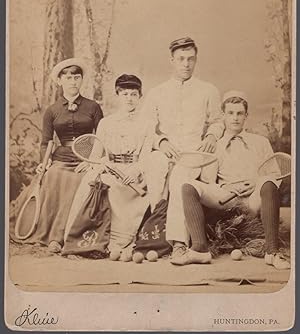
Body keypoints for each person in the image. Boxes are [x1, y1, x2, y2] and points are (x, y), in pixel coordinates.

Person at [172, 91, 290, 269]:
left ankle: (272, 252)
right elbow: (208, 181)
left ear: (246, 116)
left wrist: (255, 182)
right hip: (225, 197)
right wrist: (225, 187)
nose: (235, 118)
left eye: (239, 113)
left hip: (252, 199)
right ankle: (200, 249)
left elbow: (273, 175)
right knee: (188, 186)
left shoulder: (261, 142)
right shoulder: (215, 145)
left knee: (267, 181)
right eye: (230, 113)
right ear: (223, 116)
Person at [141, 37, 224, 260]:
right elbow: (147, 128)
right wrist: (161, 142)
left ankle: (178, 242)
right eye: (181, 59)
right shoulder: (157, 92)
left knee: (179, 178)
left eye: (190, 59)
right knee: (154, 168)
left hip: (193, 154)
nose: (186, 64)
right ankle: (150, 234)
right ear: (172, 60)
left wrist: (212, 136)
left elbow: (218, 121)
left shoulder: (208, 90)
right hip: (166, 150)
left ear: (196, 60)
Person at [10, 58, 103, 252]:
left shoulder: (93, 107)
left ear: (81, 80)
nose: (72, 82)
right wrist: (45, 160)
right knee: (53, 176)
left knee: (78, 182)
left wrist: (93, 162)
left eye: (77, 77)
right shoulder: (52, 111)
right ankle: (50, 236)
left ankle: (64, 237)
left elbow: (102, 138)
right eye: (68, 77)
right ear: (60, 81)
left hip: (85, 160)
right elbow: (46, 142)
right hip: (60, 159)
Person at [76, 74, 150, 260]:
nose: (129, 98)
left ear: (140, 97)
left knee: (131, 193)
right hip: (111, 170)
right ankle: (84, 239)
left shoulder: (147, 124)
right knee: (93, 183)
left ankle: (121, 242)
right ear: (117, 95)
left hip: (135, 174)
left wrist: (135, 171)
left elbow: (146, 156)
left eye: (134, 94)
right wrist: (98, 165)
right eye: (124, 94)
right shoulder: (105, 123)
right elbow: (96, 155)